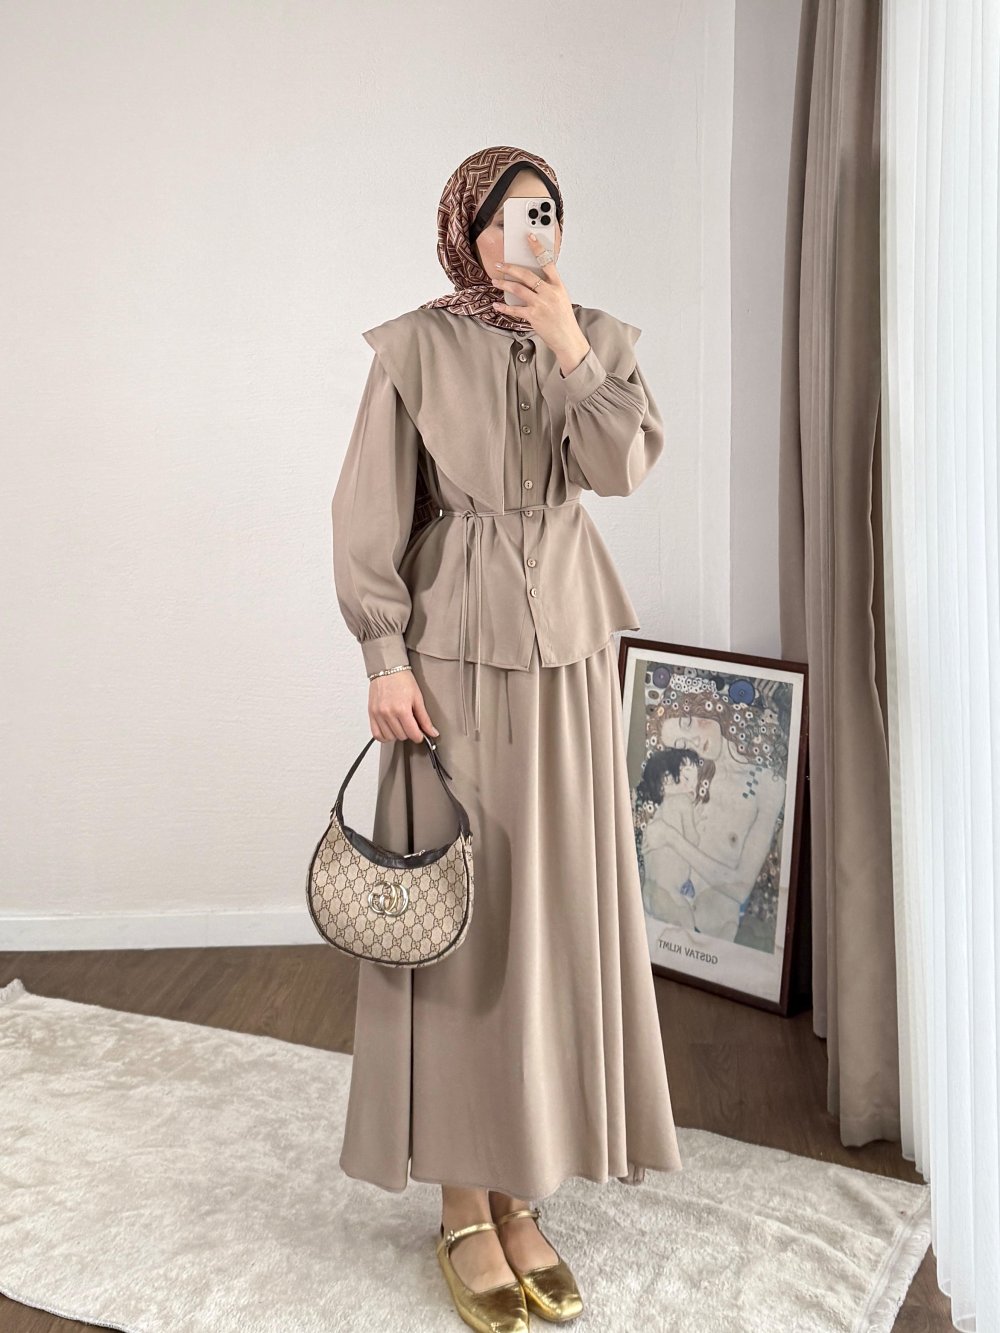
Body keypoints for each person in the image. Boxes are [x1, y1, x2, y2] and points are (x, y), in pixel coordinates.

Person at [330, 145, 683, 1333]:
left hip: (569, 657)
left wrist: (571, 347)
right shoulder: (412, 349)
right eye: (506, 217)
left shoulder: (603, 341)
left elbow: (618, 467)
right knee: (466, 926)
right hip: (452, 658)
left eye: (546, 213)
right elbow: (367, 511)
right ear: (464, 232)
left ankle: (522, 1188)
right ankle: (461, 1200)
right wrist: (383, 658)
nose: (529, 233)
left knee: (549, 917)